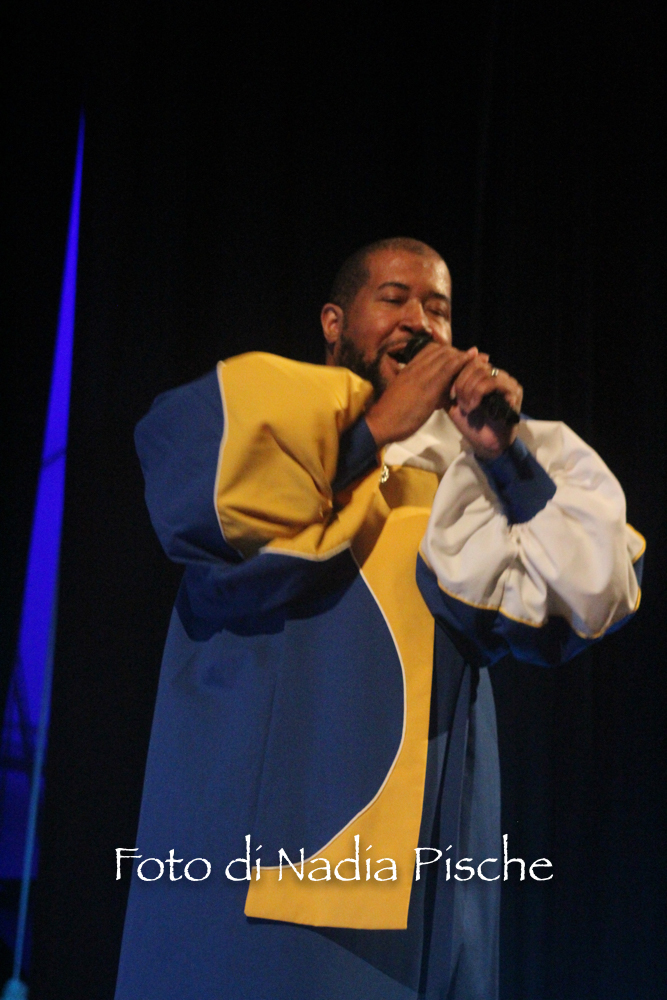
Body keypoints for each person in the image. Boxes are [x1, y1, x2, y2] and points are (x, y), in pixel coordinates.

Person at [115, 237, 643, 1000]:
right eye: (393, 298)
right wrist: (372, 432)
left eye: (438, 308)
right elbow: (201, 491)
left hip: (430, 852)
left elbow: (585, 595)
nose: (419, 321)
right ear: (333, 323)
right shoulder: (274, 424)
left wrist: (504, 457)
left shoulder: (462, 481)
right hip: (269, 839)